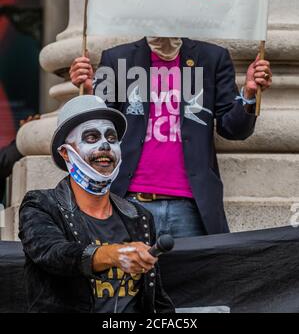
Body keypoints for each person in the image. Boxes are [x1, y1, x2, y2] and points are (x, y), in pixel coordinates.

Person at [70, 37, 272, 237]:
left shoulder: (212, 58)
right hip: (128, 202)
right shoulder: (117, 58)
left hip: (191, 206)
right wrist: (89, 92)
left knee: (193, 271)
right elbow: (100, 129)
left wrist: (249, 92)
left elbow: (234, 130)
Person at [18, 95, 174, 313]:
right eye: (91, 137)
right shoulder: (40, 205)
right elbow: (53, 254)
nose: (105, 146)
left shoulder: (140, 216)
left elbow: (156, 299)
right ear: (65, 153)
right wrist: (113, 255)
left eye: (112, 138)